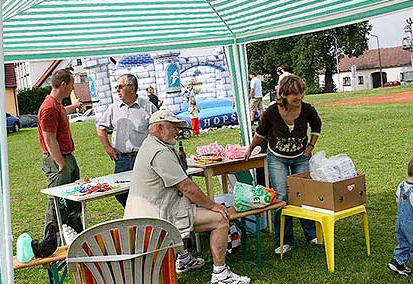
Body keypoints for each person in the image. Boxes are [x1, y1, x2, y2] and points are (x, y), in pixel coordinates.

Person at [124, 109, 251, 284]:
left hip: (149, 213)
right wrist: (213, 206)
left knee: (188, 209)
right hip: (157, 218)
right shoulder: (159, 152)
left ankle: (184, 260)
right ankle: (221, 275)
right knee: (220, 219)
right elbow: (186, 187)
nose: (177, 131)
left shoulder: (152, 145)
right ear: (160, 128)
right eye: (174, 127)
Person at [245, 74, 321, 255]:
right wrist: (250, 149)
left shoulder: (307, 109)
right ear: (284, 94)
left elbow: (317, 126)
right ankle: (284, 240)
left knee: (303, 195)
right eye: (295, 94)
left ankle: (311, 235)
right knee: (281, 197)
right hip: (277, 158)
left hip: (301, 157)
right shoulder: (271, 112)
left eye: (301, 93)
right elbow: (261, 132)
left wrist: (310, 146)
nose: (299, 97)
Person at [96, 74, 157, 207]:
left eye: (120, 87)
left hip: (143, 157)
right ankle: (133, 214)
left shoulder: (148, 107)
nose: (117, 90)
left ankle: (145, 217)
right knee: (121, 193)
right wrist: (107, 147)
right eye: (116, 87)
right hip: (122, 159)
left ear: (131, 87)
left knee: (146, 191)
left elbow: (159, 130)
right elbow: (101, 128)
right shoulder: (114, 108)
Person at [37, 69, 84, 240]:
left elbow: (62, 112)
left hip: (66, 157)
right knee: (57, 202)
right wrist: (61, 164)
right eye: (71, 85)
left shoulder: (56, 105)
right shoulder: (49, 108)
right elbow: (49, 139)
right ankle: (51, 242)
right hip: (58, 160)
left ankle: (76, 236)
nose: (72, 89)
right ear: (63, 84)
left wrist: (73, 107)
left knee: (72, 200)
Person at [387, 157, 413, 276]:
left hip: (401, 222)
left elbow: (398, 201)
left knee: (403, 243)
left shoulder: (402, 185)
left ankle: (397, 263)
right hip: (411, 224)